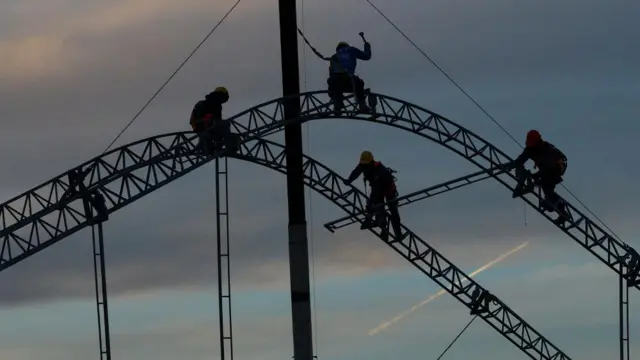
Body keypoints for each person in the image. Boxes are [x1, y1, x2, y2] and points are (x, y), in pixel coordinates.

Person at [509, 129, 569, 225]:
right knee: (545, 187)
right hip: (547, 168)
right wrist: (511, 165)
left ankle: (562, 212)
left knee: (547, 187)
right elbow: (521, 159)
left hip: (557, 166)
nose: (531, 147)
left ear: (537, 142)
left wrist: (536, 178)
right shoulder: (530, 149)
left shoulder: (546, 150)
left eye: (533, 145)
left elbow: (547, 169)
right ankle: (523, 185)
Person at [343, 150, 404, 240]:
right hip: (378, 189)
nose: (364, 166)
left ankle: (398, 234)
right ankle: (384, 230)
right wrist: (349, 180)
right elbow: (356, 172)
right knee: (379, 209)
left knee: (393, 211)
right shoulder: (364, 165)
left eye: (366, 164)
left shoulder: (379, 170)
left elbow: (376, 190)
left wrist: (370, 204)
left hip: (388, 189)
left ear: (371, 162)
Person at [327, 38, 372, 113]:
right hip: (349, 79)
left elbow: (331, 72)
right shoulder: (351, 50)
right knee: (360, 84)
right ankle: (362, 106)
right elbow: (367, 56)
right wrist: (367, 47)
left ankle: (337, 103)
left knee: (334, 86)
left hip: (335, 80)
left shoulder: (334, 57)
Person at [189, 87, 238, 154]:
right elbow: (194, 121)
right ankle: (208, 148)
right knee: (221, 125)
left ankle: (226, 147)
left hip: (211, 128)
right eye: (222, 98)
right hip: (202, 128)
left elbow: (218, 121)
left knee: (228, 127)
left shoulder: (218, 106)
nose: (222, 101)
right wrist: (203, 130)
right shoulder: (202, 104)